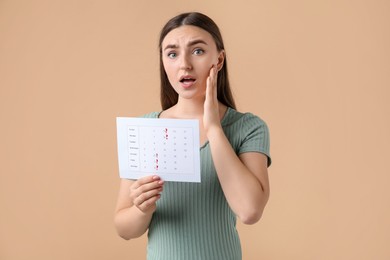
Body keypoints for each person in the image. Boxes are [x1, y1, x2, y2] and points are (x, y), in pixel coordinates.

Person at [114, 12, 271, 260]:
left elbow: (250, 211)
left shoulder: (247, 127)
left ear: (219, 60)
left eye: (197, 51)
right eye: (172, 53)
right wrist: (142, 209)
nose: (184, 64)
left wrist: (214, 128)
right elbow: (123, 229)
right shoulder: (146, 128)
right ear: (163, 62)